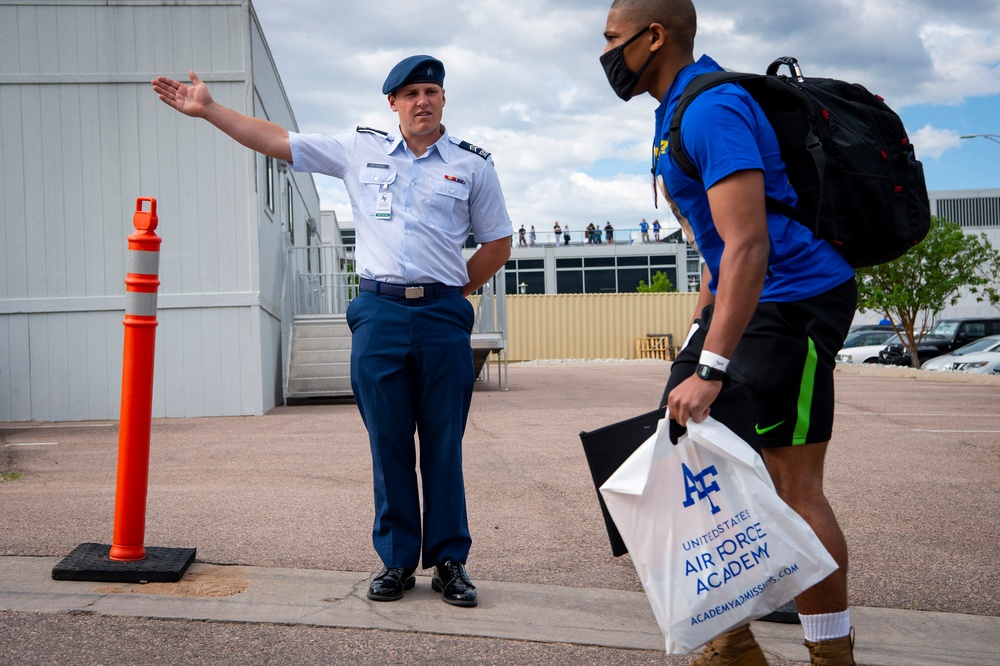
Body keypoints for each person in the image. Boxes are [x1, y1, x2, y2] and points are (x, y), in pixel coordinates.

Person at [152, 55, 512, 609]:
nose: (422, 101)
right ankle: (396, 562)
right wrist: (210, 111)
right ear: (392, 103)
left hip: (442, 316)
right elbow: (279, 140)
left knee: (444, 443)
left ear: (444, 100)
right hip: (380, 312)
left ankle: (448, 562)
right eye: (411, 93)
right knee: (387, 440)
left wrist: (451, 292)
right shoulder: (358, 149)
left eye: (432, 92)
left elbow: (497, 244)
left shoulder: (472, 167)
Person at [601, 2, 858, 665]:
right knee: (668, 459)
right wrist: (697, 333)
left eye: (611, 40)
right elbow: (718, 249)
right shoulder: (673, 112)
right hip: (743, 300)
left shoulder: (711, 108)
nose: (605, 54)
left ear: (653, 36)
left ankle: (831, 656)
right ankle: (731, 643)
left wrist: (710, 367)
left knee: (793, 487)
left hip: (795, 298)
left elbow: (750, 243)